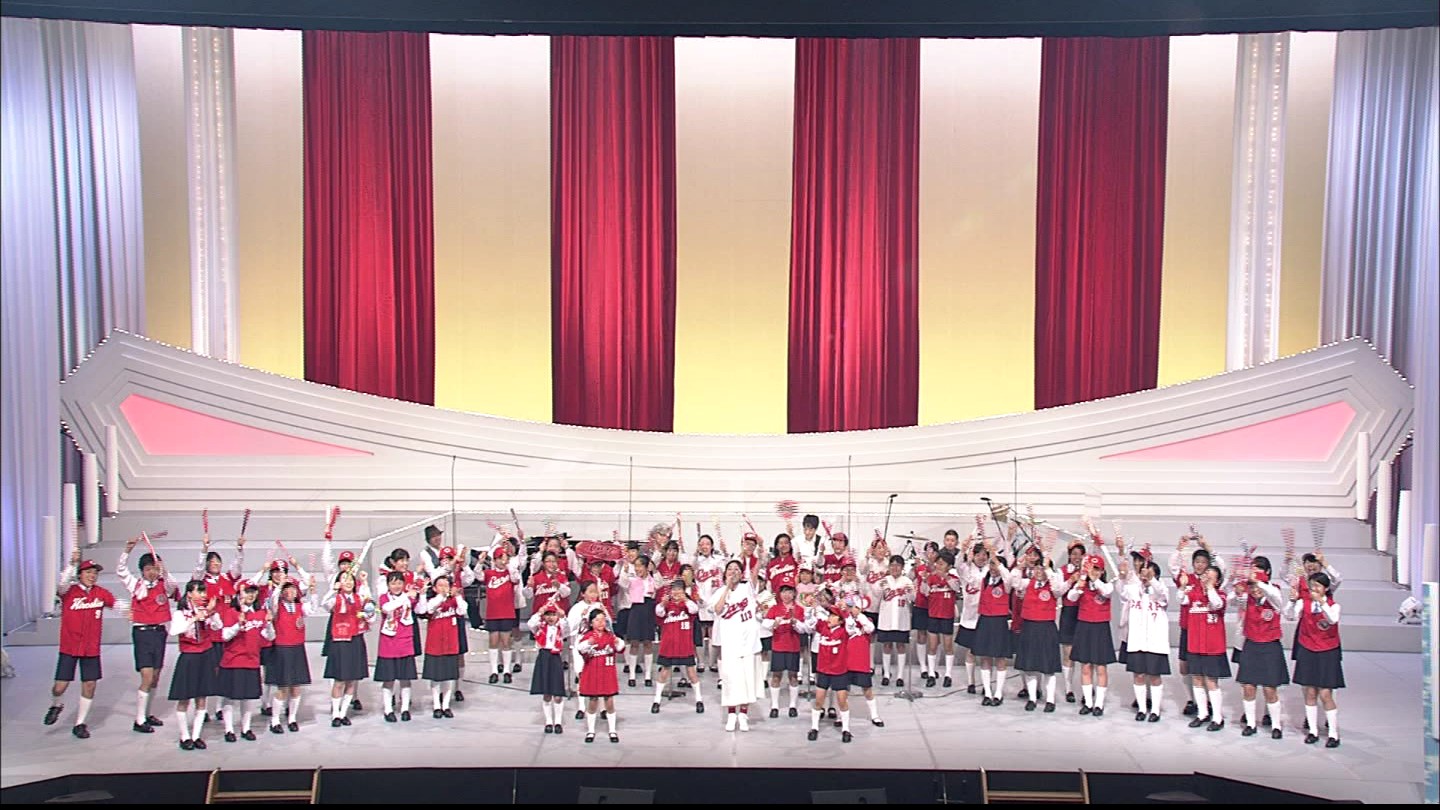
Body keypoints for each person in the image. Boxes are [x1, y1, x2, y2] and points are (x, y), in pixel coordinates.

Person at [45, 554, 116, 739]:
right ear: (80, 575)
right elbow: (61, 585)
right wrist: (71, 564)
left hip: (91, 648)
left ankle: (80, 723)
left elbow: (117, 604)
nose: (92, 576)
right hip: (69, 647)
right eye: (88, 572)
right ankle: (56, 704)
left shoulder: (101, 593)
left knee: (90, 684)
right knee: (59, 687)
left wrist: (134, 612)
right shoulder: (69, 592)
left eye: (95, 573)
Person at [116, 537, 181, 733]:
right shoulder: (136, 585)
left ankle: (148, 713)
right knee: (147, 676)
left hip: (159, 633)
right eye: (148, 569)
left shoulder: (164, 584)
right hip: (142, 633)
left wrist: (164, 569)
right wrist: (126, 551)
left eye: (154, 568)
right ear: (142, 571)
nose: (152, 572)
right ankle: (139, 720)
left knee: (156, 677)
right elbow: (121, 571)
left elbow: (173, 586)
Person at [1233, 557, 1287, 739]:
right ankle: (1250, 724)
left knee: (1270, 689)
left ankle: (1276, 725)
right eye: (1252, 587)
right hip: (1251, 644)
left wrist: (1258, 582)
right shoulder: (1247, 597)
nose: (1255, 590)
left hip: (1270, 645)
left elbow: (1274, 596)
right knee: (1248, 687)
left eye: (1257, 587)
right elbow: (1231, 600)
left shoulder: (1274, 594)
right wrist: (1238, 588)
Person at [1170, 534, 1223, 716]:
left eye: (1203, 562)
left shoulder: (1211, 581)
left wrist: (1208, 547)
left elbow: (1221, 567)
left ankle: (1209, 703)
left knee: (1207, 671)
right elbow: (1173, 567)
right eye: (1197, 562)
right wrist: (1179, 548)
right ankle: (1192, 700)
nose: (1200, 565)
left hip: (1207, 631)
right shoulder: (1187, 578)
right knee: (1185, 667)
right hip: (1188, 628)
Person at [1116, 544, 1169, 723]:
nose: (1145, 575)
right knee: (1138, 675)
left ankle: (1155, 710)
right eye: (1143, 572)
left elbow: (1162, 595)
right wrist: (1123, 574)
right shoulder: (1133, 588)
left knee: (1154, 676)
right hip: (1137, 639)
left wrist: (1151, 581)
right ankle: (1141, 708)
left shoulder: (1161, 589)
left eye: (1149, 572)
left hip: (1155, 641)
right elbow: (1122, 591)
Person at [167, 580, 223, 750]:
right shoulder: (181, 613)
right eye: (199, 591)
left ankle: (196, 735)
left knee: (201, 698)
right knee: (184, 699)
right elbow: (174, 631)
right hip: (189, 657)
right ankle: (185, 736)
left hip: (205, 655)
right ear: (190, 594)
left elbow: (218, 626)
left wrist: (211, 613)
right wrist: (194, 618)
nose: (203, 595)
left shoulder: (205, 611)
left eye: (204, 592)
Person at [1290, 572, 1343, 747]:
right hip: (1308, 649)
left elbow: (1332, 620)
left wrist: (1322, 602)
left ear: (1325, 589)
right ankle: (1313, 731)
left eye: (1318, 586)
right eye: (1312, 586)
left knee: (1326, 693)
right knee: (1310, 692)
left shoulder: (1334, 606)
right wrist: (1292, 601)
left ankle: (1333, 734)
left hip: (1327, 651)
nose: (1314, 589)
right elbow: (1290, 615)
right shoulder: (1303, 603)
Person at [711, 559, 762, 731]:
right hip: (730, 642)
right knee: (731, 679)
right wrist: (727, 587)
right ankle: (731, 714)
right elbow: (718, 609)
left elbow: (754, 572)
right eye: (730, 569)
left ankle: (744, 714)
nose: (733, 572)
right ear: (725, 573)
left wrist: (758, 556)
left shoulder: (747, 588)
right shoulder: (720, 592)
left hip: (748, 641)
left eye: (736, 569)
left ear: (741, 573)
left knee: (747, 679)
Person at [217, 583, 273, 741]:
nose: (251, 595)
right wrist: (238, 625)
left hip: (252, 661)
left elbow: (269, 636)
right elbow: (225, 636)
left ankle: (246, 728)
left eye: (253, 592)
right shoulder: (231, 613)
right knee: (229, 697)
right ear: (239, 595)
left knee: (248, 697)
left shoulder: (260, 613)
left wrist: (269, 623)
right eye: (247, 592)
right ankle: (229, 730)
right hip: (233, 661)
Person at [1013, 548, 1067, 712]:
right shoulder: (1027, 583)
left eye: (1041, 568)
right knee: (1030, 666)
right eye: (1036, 568)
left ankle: (1050, 700)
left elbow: (1059, 589)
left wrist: (1048, 569)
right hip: (1029, 627)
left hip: (1046, 628)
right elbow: (1014, 582)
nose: (1039, 571)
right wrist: (1020, 567)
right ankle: (1032, 698)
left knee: (1048, 668)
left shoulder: (1053, 587)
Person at [1179, 564, 1229, 731]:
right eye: (1205, 573)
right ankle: (1202, 714)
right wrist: (1183, 586)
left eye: (1210, 575)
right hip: (1194, 644)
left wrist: (1210, 588)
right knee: (1197, 679)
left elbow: (1216, 604)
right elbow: (1181, 599)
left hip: (1212, 647)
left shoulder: (1221, 595)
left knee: (1211, 681)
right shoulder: (1193, 593)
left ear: (1218, 581)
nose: (1206, 576)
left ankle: (1217, 718)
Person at [267, 576, 320, 732]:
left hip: (297, 648)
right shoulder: (277, 607)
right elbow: (272, 600)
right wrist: (280, 585)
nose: (290, 591)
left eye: (293, 588)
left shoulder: (300, 607)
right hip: (282, 649)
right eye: (287, 588)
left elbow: (313, 608)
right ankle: (275, 720)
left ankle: (292, 718)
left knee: (296, 687)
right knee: (282, 688)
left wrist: (313, 591)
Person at [1066, 554, 1115, 717]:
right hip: (1084, 626)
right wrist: (1079, 584)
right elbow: (1071, 597)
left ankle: (1099, 704)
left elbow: (1106, 592)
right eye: (1090, 569)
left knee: (1101, 667)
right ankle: (1087, 702)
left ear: (1102, 571)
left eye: (1096, 569)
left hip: (1100, 628)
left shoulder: (1106, 585)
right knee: (1085, 666)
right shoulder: (1083, 585)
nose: (1093, 571)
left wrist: (1095, 579)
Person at [321, 570, 371, 726]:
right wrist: (333, 590)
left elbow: (369, 604)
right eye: (344, 579)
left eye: (351, 579)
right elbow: (324, 604)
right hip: (340, 640)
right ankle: (335, 714)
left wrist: (365, 582)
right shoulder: (335, 599)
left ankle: (343, 713)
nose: (348, 582)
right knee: (339, 680)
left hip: (356, 640)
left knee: (352, 680)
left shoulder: (358, 598)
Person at [967, 544, 1013, 707]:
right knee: (984, 657)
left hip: (999, 621)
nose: (993, 568)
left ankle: (998, 693)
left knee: (1000, 658)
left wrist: (996, 558)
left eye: (995, 565)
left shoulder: (1006, 583)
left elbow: (1008, 577)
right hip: (985, 620)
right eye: (991, 564)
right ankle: (987, 692)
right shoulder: (984, 580)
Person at [375, 571, 422, 723]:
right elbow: (387, 608)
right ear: (388, 585)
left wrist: (421, 594)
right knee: (388, 679)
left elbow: (421, 610)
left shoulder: (409, 597)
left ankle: (405, 708)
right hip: (388, 643)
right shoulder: (384, 598)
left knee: (405, 678)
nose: (396, 586)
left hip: (405, 641)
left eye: (399, 583)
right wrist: (407, 596)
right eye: (393, 583)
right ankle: (388, 709)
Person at [652, 581, 703, 713]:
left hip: (685, 645)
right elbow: (658, 612)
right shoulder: (666, 606)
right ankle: (656, 700)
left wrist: (685, 599)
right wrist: (663, 603)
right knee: (664, 672)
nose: (676, 593)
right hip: (668, 646)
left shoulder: (688, 605)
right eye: (674, 590)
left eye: (679, 590)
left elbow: (694, 609)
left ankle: (699, 699)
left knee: (691, 672)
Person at [807, 599, 855, 743]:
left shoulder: (844, 631)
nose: (830, 618)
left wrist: (846, 612)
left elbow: (851, 626)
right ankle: (814, 727)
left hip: (839, 671)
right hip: (823, 670)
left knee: (842, 701)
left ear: (840, 621)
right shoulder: (823, 627)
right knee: (818, 700)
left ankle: (846, 729)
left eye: (833, 616)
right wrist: (811, 607)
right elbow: (810, 623)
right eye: (829, 615)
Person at [418, 574, 464, 718]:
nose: (444, 588)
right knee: (436, 677)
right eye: (440, 585)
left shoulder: (454, 601)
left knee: (449, 677)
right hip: (435, 644)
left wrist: (457, 596)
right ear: (434, 588)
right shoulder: (432, 601)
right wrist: (441, 596)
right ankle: (436, 705)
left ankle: (446, 705)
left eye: (446, 585)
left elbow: (463, 610)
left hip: (451, 643)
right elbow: (428, 609)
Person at [577, 608, 626, 743]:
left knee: (609, 700)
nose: (600, 623)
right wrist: (589, 643)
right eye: (597, 620)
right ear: (591, 623)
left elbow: (620, 648)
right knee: (593, 701)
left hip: (607, 672)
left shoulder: (610, 636)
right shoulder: (587, 636)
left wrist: (618, 642)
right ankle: (591, 730)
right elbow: (580, 649)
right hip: (592, 672)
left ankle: (612, 730)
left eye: (603, 620)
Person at [480, 541, 523, 683]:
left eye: (504, 558)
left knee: (506, 641)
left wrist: (508, 563)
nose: (502, 561)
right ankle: (493, 671)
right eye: (499, 558)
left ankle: (507, 671)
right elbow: (477, 575)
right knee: (493, 641)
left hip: (507, 612)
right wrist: (480, 562)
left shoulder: (510, 573)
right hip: (492, 613)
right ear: (494, 560)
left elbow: (516, 578)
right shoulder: (489, 573)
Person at [763, 584, 807, 718]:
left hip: (793, 647)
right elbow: (765, 624)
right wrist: (774, 624)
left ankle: (793, 706)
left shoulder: (799, 609)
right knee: (776, 676)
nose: (786, 595)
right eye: (783, 592)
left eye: (789, 592)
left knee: (793, 676)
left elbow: (804, 629)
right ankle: (774, 706)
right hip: (778, 646)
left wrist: (795, 623)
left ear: (794, 594)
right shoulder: (774, 608)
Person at [528, 599, 569, 734]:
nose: (551, 617)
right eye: (548, 615)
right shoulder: (539, 627)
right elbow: (530, 624)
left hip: (555, 657)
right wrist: (539, 613)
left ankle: (558, 722)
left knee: (557, 693)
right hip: (543, 657)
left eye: (553, 614)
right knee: (546, 693)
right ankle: (548, 722)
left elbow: (567, 628)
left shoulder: (560, 628)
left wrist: (563, 616)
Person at [619, 555, 661, 687]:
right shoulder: (632, 579)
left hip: (649, 609)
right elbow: (623, 583)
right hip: (636, 610)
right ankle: (632, 675)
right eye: (636, 566)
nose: (637, 569)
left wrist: (655, 571)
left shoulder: (651, 579)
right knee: (634, 642)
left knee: (648, 642)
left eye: (640, 566)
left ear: (646, 567)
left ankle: (648, 675)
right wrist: (625, 570)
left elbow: (659, 584)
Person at [922, 551, 961, 688]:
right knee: (932, 646)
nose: (938, 566)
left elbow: (956, 588)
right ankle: (931, 674)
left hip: (947, 616)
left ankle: (948, 675)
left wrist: (945, 576)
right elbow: (924, 591)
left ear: (949, 566)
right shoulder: (931, 578)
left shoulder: (953, 578)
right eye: (937, 563)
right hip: (933, 615)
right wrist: (925, 580)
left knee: (948, 646)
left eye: (942, 564)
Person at [875, 555, 914, 687]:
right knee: (887, 645)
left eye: (898, 565)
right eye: (892, 565)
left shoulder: (907, 581)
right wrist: (879, 588)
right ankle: (886, 674)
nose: (895, 568)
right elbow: (877, 595)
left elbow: (913, 598)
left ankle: (900, 676)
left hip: (901, 619)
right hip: (886, 618)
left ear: (902, 567)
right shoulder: (884, 580)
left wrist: (909, 592)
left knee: (901, 646)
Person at [1057, 542, 1087, 703]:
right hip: (1069, 612)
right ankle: (1069, 689)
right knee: (1068, 653)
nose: (1077, 557)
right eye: (1074, 554)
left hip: (1085, 613)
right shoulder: (1061, 571)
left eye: (1080, 554)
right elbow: (1057, 592)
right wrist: (1070, 580)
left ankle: (1086, 688)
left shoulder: (1089, 570)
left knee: (1085, 654)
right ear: (1069, 555)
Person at [692, 534, 726, 673]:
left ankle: (713, 663)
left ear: (712, 546)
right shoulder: (696, 561)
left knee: (713, 632)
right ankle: (700, 662)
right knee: (700, 633)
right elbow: (691, 578)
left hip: (715, 600)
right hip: (699, 601)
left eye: (707, 544)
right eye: (701, 544)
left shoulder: (719, 560)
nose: (704, 546)